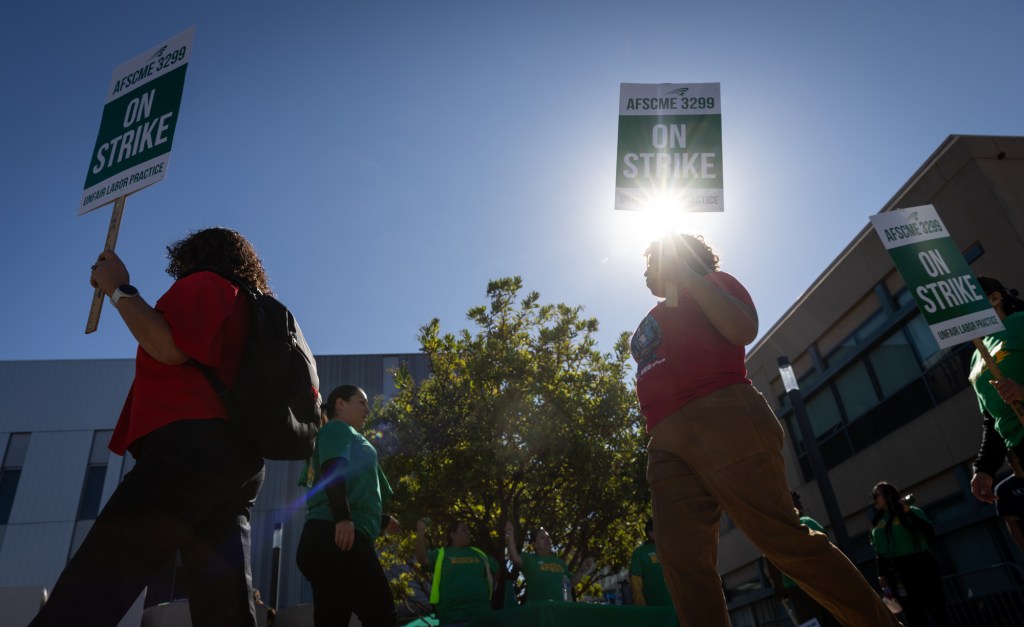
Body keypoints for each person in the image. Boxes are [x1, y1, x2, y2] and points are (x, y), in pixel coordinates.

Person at [632, 232, 902, 627]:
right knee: (681, 562)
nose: (646, 273)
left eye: (654, 261)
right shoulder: (659, 312)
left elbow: (742, 329)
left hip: (725, 416)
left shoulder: (715, 283)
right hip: (666, 442)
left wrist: (688, 277)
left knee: (783, 539)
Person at [30, 227, 270, 627]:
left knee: (97, 579)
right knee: (224, 609)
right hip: (237, 459)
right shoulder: (250, 304)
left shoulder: (207, 283)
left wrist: (119, 289)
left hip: (190, 448)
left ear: (194, 257)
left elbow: (169, 347)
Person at [296, 385, 400, 627]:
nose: (367, 409)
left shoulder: (346, 435)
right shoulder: (337, 428)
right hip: (337, 539)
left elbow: (356, 490)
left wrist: (381, 519)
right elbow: (333, 471)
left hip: (328, 540)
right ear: (340, 404)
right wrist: (343, 517)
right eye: (362, 402)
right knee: (382, 615)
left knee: (332, 621)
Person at [969, 276, 1024, 505]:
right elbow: (992, 419)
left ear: (994, 298)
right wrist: (985, 468)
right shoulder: (977, 355)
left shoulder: (1020, 322)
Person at [870, 482, 954, 627]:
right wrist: (882, 575)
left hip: (921, 565)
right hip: (898, 571)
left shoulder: (911, 511)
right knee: (913, 615)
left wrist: (908, 512)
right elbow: (880, 550)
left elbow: (929, 532)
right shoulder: (879, 521)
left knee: (937, 610)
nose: (874, 499)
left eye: (876, 495)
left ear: (888, 496)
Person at [764, 493, 842, 627]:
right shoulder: (805, 523)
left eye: (798, 499)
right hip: (812, 582)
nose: (799, 502)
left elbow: (771, 561)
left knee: (813, 622)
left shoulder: (776, 533)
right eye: (794, 500)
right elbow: (828, 549)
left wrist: (779, 588)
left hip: (800, 586)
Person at [415, 519, 499, 626]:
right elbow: (422, 559)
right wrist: (420, 534)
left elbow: (497, 569)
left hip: (483, 615)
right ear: (453, 535)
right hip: (453, 617)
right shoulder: (441, 554)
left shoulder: (479, 553)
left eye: (468, 530)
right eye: (464, 530)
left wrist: (489, 587)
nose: (468, 533)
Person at [504, 522, 594, 603]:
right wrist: (510, 535)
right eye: (542, 538)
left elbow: (571, 584)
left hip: (560, 609)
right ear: (534, 544)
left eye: (548, 537)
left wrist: (582, 570)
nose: (547, 539)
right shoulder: (529, 559)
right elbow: (515, 558)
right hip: (539, 610)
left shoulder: (560, 562)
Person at [629, 518, 672, 607]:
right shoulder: (639, 552)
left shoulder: (672, 548)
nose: (656, 532)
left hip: (677, 607)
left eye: (658, 529)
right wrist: (642, 606)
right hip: (654, 608)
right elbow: (635, 582)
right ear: (648, 533)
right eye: (652, 530)